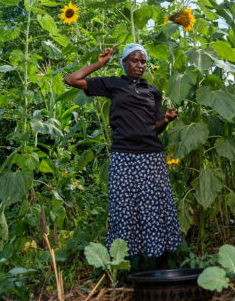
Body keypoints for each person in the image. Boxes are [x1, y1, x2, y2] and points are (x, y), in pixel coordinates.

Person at [64, 43, 182, 269]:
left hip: (151, 156)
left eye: (143, 62)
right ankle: (127, 268)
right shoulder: (113, 83)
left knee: (155, 208)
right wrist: (100, 64)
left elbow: (155, 128)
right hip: (123, 156)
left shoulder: (152, 92)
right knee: (124, 210)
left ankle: (161, 268)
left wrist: (166, 120)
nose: (140, 66)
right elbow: (71, 79)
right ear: (125, 62)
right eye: (135, 61)